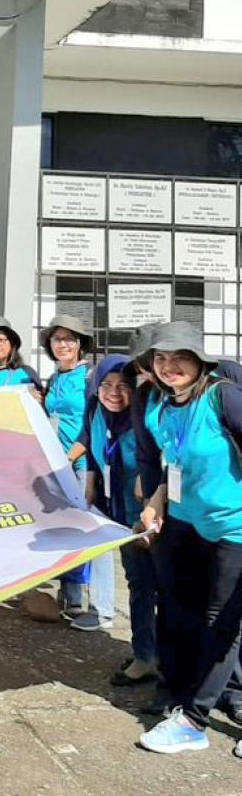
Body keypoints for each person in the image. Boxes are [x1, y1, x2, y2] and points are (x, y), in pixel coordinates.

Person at [138, 321, 242, 756]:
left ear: (201, 361)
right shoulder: (160, 406)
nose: (169, 366)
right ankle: (199, 699)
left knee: (224, 623)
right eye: (160, 359)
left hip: (233, 528)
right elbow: (173, 462)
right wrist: (157, 500)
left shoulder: (224, 397)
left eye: (180, 357)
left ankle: (194, 721)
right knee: (191, 616)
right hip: (186, 524)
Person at [82, 355, 158, 685]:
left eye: (124, 386)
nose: (115, 393)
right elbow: (90, 448)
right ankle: (146, 654)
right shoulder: (96, 412)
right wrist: (88, 478)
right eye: (107, 385)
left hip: (152, 516)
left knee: (162, 587)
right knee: (138, 584)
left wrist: (150, 485)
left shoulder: (144, 417)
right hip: (120, 515)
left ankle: (164, 655)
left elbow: (163, 458)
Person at [40, 314, 99, 625]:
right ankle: (67, 590)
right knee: (63, 525)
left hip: (80, 464)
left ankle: (81, 597)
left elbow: (92, 425)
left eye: (69, 339)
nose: (62, 344)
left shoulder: (89, 377)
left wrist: (69, 456)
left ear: (80, 345)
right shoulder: (56, 377)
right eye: (57, 339)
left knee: (80, 527)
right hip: (57, 461)